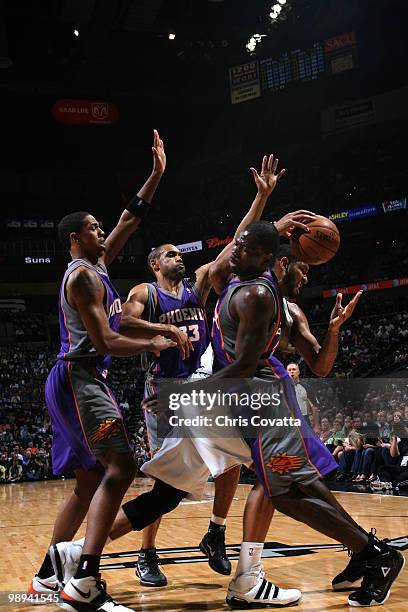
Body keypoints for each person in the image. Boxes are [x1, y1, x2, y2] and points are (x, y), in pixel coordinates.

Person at [112, 153, 291, 585]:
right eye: (171, 254)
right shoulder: (145, 292)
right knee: (165, 484)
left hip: (206, 389)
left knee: (231, 461)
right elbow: (120, 321)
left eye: (180, 255)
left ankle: (215, 530)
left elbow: (234, 246)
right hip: (166, 394)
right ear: (155, 263)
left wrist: (261, 201)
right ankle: (146, 554)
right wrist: (162, 331)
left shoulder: (197, 289)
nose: (179, 259)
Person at [29, 131, 178, 612]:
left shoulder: (97, 266)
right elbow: (106, 341)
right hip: (81, 375)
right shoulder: (86, 276)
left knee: (90, 482)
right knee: (123, 464)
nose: (103, 231)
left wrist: (154, 175)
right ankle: (84, 582)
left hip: (74, 378)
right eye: (94, 228)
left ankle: (47, 577)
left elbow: (130, 220)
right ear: (76, 238)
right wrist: (156, 338)